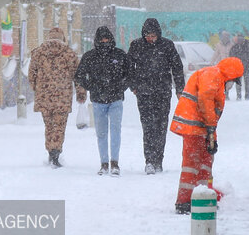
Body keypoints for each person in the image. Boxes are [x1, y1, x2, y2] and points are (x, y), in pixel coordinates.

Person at [170, 57, 244, 214]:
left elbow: (212, 115)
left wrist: (213, 138)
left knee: (205, 162)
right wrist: (210, 128)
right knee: (192, 164)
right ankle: (184, 202)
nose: (232, 85)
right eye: (234, 81)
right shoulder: (212, 74)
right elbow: (205, 100)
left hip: (201, 127)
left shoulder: (217, 80)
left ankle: (202, 195)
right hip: (193, 126)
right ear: (230, 74)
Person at [128, 18, 185, 174]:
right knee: (148, 127)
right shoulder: (137, 45)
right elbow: (128, 67)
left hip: (163, 92)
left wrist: (179, 88)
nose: (150, 39)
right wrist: (133, 85)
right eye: (148, 36)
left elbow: (177, 68)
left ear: (158, 34)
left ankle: (158, 160)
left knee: (161, 127)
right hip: (144, 93)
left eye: (153, 36)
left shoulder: (167, 45)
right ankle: (149, 161)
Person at [75, 26, 130, 176]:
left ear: (111, 39)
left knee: (116, 131)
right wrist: (89, 86)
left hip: (116, 99)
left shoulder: (119, 55)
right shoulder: (89, 56)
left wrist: (121, 88)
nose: (104, 42)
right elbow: (79, 75)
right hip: (98, 100)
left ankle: (115, 163)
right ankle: (104, 163)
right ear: (97, 40)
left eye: (107, 39)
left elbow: (129, 74)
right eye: (102, 39)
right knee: (101, 133)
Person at [28, 27, 86, 168]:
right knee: (59, 126)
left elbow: (31, 74)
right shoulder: (69, 54)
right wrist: (80, 92)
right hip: (63, 96)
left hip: (44, 97)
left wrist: (37, 88)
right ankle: (56, 152)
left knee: (49, 125)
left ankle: (50, 151)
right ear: (62, 37)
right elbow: (78, 75)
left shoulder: (38, 52)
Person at [229, 33, 249, 100]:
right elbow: (231, 56)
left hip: (247, 66)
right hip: (238, 67)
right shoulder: (235, 47)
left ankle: (247, 95)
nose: (240, 41)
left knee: (247, 81)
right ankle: (238, 96)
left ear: (243, 39)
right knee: (238, 82)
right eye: (238, 39)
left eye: (241, 39)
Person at [210, 30, 234, 99]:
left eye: (227, 36)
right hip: (221, 65)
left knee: (229, 81)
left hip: (229, 65)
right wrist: (211, 63)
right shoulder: (218, 45)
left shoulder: (232, 45)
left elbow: (234, 55)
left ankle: (226, 92)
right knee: (221, 80)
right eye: (224, 36)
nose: (225, 38)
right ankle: (223, 93)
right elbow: (215, 54)